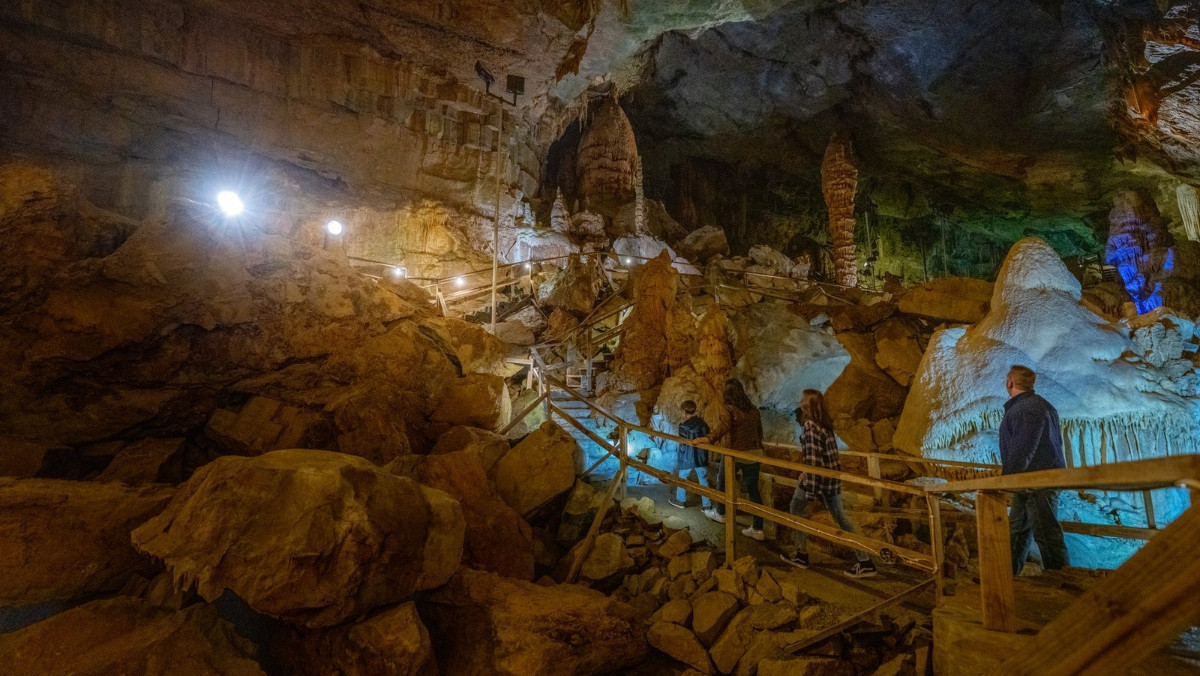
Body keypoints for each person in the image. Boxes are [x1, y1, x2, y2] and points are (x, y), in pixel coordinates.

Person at [781, 389, 877, 579]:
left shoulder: (810, 426)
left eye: (802, 400)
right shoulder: (825, 424)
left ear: (808, 404)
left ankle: (801, 554)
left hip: (818, 480)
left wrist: (810, 488)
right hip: (831, 480)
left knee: (795, 508)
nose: (799, 402)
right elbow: (826, 456)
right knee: (841, 519)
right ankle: (865, 561)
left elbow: (814, 459)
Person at [1000, 364, 1069, 575]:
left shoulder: (1025, 409)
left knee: (1046, 534)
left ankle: (1063, 581)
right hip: (1033, 482)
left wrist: (1008, 480)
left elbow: (1023, 448)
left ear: (1009, 383)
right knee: (1017, 533)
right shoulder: (1044, 406)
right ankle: (1006, 577)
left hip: (1036, 482)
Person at [694, 379, 766, 541]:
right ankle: (758, 528)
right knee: (753, 490)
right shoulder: (753, 409)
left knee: (722, 481)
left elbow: (723, 427)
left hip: (737, 453)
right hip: (755, 453)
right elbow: (759, 432)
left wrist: (707, 439)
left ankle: (721, 512)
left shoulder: (729, 409)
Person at [670, 400, 711, 509]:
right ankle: (707, 505)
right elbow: (708, 435)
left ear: (683, 412)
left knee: (683, 477)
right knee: (703, 479)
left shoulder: (683, 426)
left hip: (687, 456)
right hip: (701, 456)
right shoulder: (702, 424)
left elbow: (683, 442)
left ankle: (680, 500)